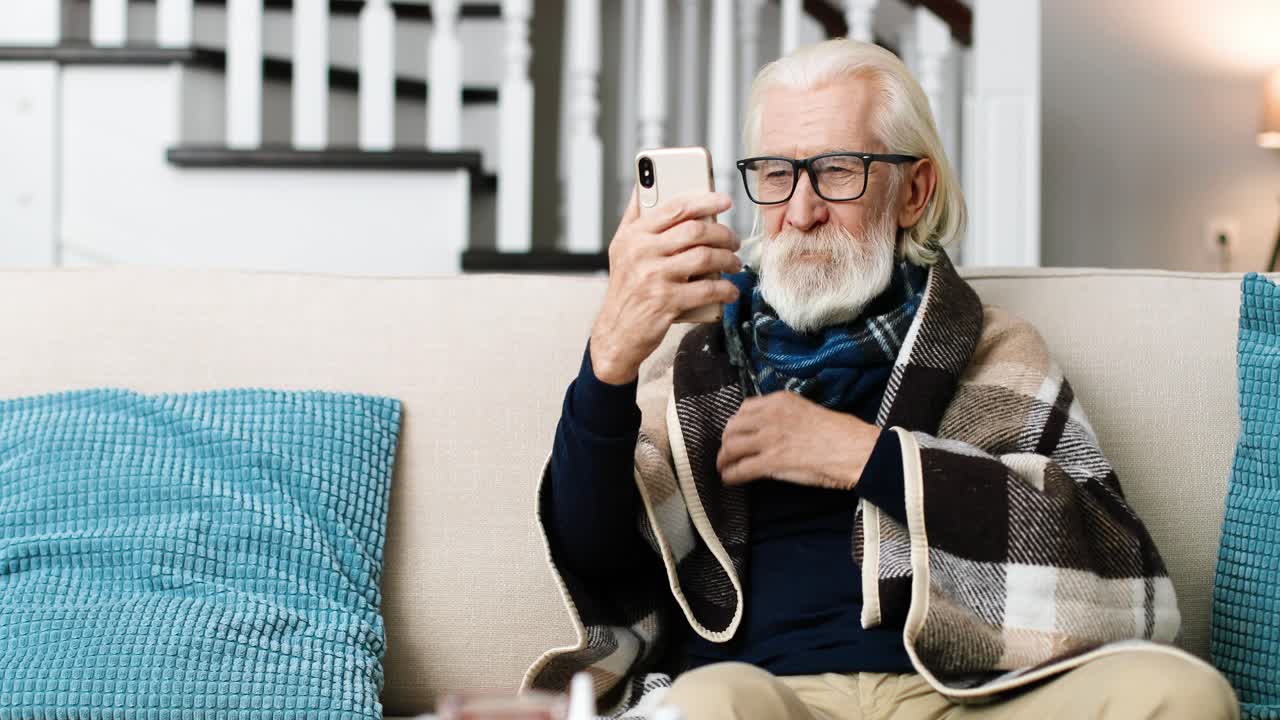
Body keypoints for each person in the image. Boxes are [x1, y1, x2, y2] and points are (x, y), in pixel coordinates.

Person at [522, 38, 1239, 720]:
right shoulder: (694, 364)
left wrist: (862, 456)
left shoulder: (992, 346)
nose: (800, 212)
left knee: (1178, 692)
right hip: (768, 698)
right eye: (776, 173)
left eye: (837, 170)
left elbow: (1101, 557)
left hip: (973, 697)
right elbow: (595, 554)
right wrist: (609, 359)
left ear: (913, 190)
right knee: (706, 705)